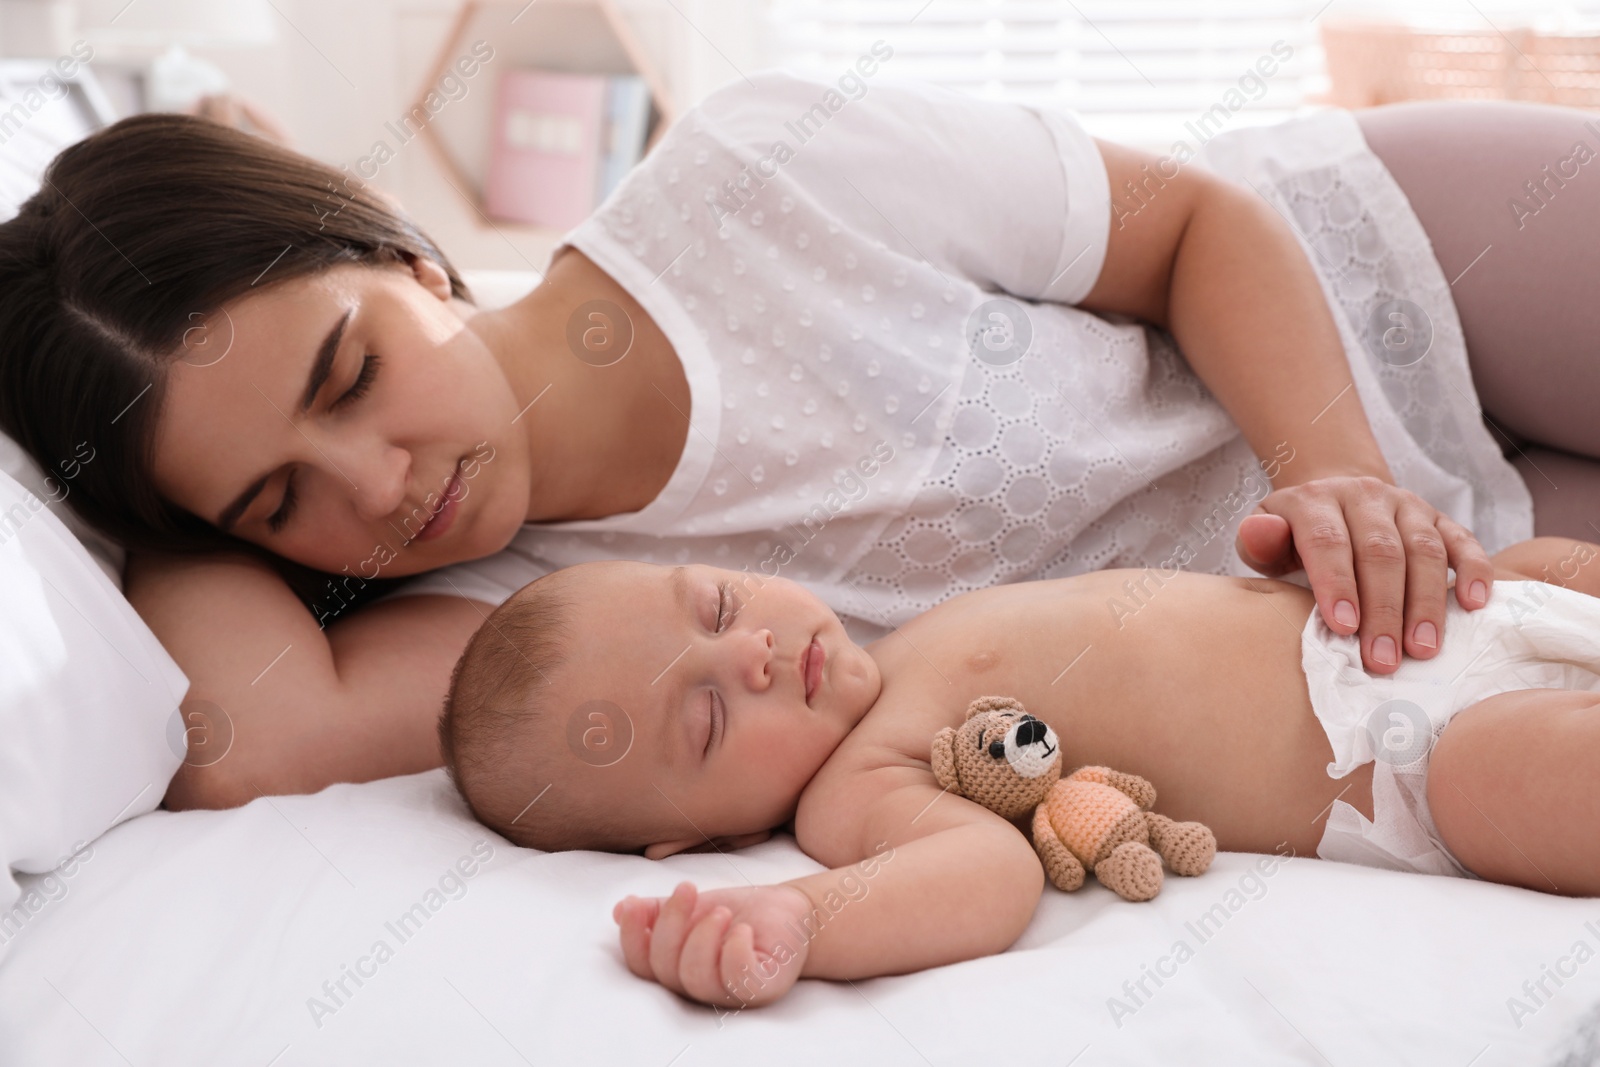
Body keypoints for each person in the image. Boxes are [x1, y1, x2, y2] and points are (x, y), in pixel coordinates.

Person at [2, 68, 1592, 810]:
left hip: (1404, 273)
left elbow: (1191, 226)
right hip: (1439, 607)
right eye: (279, 499)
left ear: (409, 249)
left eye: (348, 376)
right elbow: (250, 746)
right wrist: (126, 477)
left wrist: (1348, 484)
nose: (381, 489)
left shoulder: (757, 174)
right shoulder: (530, 633)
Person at [436, 534, 1600, 1009]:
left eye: (718, 604)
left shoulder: (906, 635)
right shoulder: (858, 782)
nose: (746, 652)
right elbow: (983, 872)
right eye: (703, 715)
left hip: (1456, 616)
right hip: (1405, 757)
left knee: (1543, 555)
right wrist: (791, 914)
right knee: (1513, 775)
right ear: (684, 836)